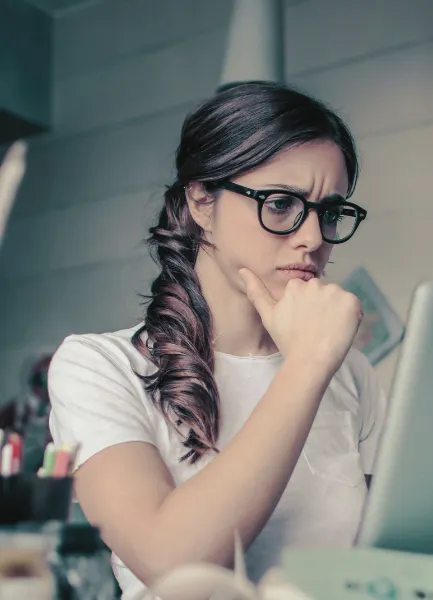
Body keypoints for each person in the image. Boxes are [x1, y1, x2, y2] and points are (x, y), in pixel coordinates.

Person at [47, 81, 388, 600]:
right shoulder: (99, 366)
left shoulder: (352, 373)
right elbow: (174, 563)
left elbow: (386, 562)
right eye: (279, 204)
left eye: (330, 212)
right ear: (202, 200)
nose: (314, 238)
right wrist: (308, 366)